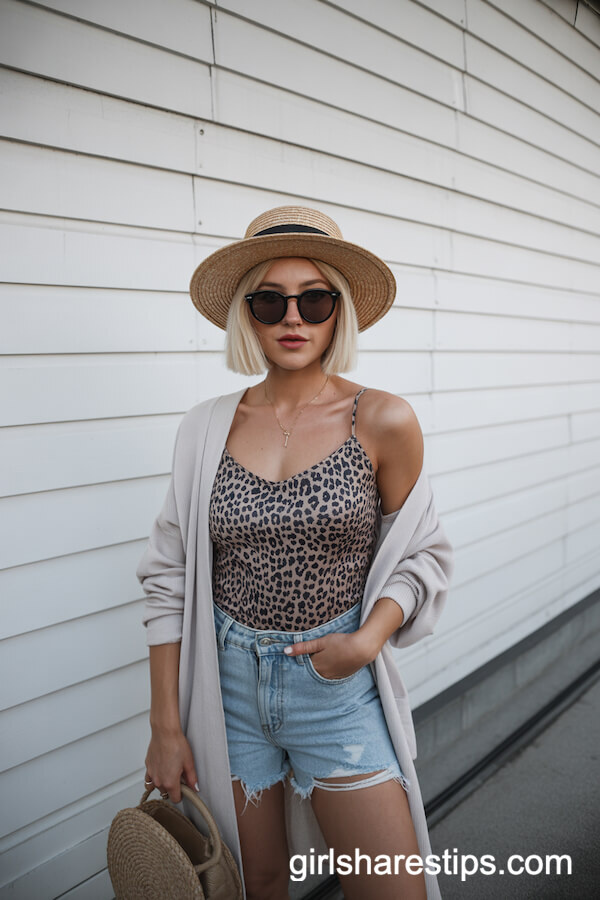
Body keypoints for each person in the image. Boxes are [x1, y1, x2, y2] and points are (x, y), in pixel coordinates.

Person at [138, 206, 453, 900]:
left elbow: (422, 556)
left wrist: (366, 641)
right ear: (246, 316)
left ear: (339, 312)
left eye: (314, 300)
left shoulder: (383, 419)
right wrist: (165, 727)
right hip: (226, 689)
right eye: (269, 301)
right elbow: (169, 578)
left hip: (335, 687)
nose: (293, 318)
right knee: (256, 886)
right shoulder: (204, 429)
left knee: (390, 889)